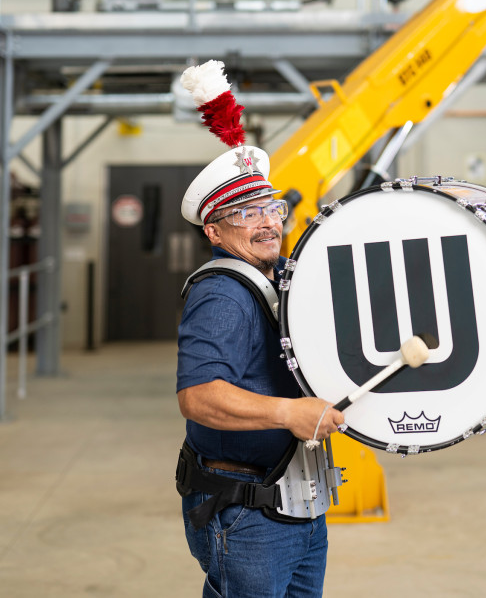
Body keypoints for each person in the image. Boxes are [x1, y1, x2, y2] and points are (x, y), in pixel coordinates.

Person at [175, 61, 344, 598]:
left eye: (270, 207)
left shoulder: (272, 279)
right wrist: (288, 413)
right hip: (248, 514)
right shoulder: (222, 293)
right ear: (214, 229)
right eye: (246, 213)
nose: (268, 221)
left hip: (296, 503)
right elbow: (199, 397)